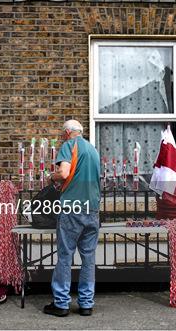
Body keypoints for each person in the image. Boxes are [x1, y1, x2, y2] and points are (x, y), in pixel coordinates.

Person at [43, 119, 101, 317]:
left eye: (62, 134)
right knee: (88, 258)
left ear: (67, 133)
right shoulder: (93, 151)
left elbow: (64, 172)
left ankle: (61, 304)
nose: (62, 138)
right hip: (92, 209)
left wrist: (52, 177)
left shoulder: (69, 145)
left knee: (65, 256)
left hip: (72, 209)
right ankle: (86, 304)